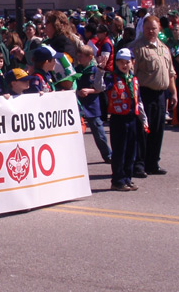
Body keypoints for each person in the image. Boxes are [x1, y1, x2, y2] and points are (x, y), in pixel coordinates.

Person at [130, 16, 178, 177]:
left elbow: (170, 73)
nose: (151, 31)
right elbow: (131, 75)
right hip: (144, 94)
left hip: (161, 95)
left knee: (158, 130)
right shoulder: (137, 48)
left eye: (154, 28)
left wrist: (173, 93)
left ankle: (153, 163)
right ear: (143, 29)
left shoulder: (164, 48)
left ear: (159, 29)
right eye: (148, 28)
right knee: (143, 131)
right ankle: (139, 164)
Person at [94, 49, 148, 191]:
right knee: (120, 150)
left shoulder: (133, 79)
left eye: (127, 62)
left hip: (132, 118)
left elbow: (138, 100)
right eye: (121, 62)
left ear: (132, 63)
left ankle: (127, 178)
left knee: (131, 150)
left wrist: (143, 118)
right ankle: (118, 180)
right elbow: (99, 88)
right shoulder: (112, 78)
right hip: (119, 119)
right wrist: (100, 71)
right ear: (116, 63)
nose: (124, 65)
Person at [76, 45, 112, 163]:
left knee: (99, 132)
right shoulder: (77, 70)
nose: (79, 58)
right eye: (78, 55)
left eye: (82, 56)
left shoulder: (95, 70)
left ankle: (108, 155)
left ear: (89, 57)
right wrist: (77, 92)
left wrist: (89, 91)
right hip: (79, 104)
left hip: (92, 104)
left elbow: (101, 88)